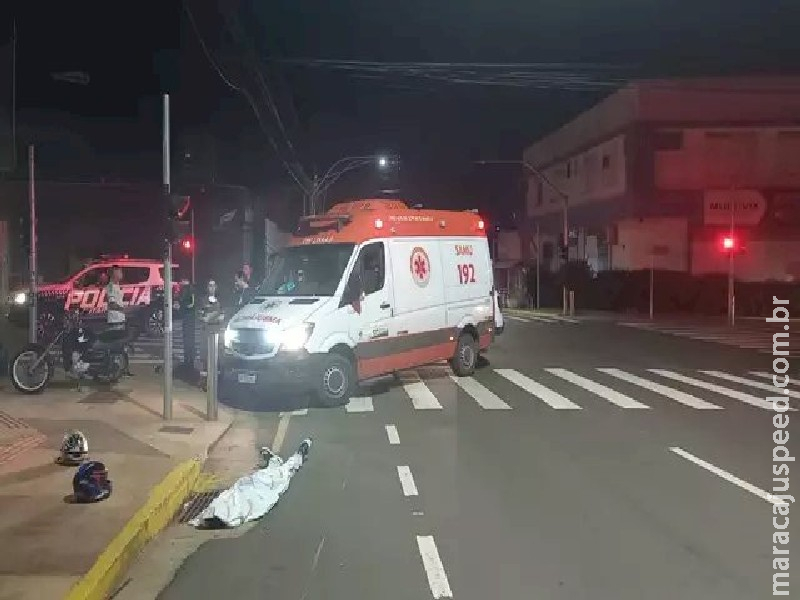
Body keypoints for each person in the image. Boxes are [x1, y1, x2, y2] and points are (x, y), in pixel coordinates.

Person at [106, 265, 133, 376]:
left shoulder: (117, 286)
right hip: (115, 321)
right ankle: (115, 369)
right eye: (119, 272)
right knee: (116, 346)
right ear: (114, 274)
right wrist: (124, 309)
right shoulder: (111, 286)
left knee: (122, 345)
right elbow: (111, 304)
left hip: (120, 319)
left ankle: (124, 369)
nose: (122, 274)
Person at [178, 277, 197, 374]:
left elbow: (191, 304)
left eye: (181, 280)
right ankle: (189, 360)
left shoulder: (188, 289)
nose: (180, 282)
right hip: (189, 318)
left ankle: (189, 361)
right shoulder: (188, 289)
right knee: (188, 340)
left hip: (188, 318)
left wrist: (182, 306)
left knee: (188, 340)